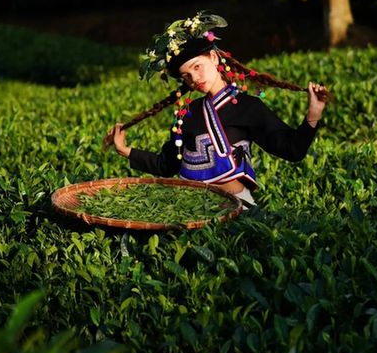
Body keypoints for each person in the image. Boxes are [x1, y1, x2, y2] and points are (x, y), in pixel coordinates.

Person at [105, 11, 331, 208]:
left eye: (197, 67)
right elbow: (167, 165)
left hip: (237, 207)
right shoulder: (187, 114)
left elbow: (292, 150)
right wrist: (125, 151)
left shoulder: (248, 107)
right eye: (186, 76)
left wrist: (314, 113)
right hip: (191, 209)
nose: (194, 78)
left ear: (213, 58)